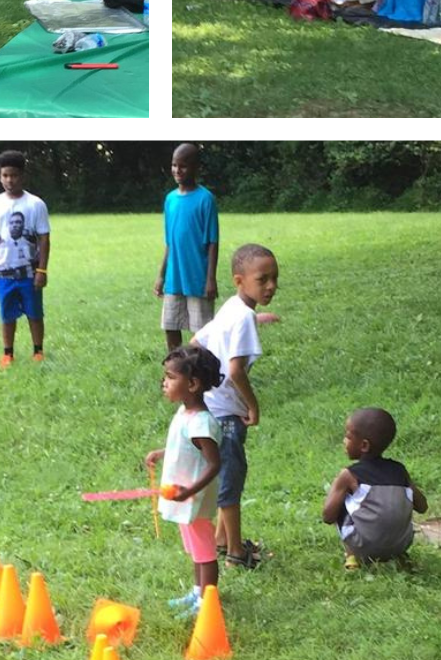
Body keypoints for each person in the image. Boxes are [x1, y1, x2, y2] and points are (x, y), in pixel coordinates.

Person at [190, 243, 280, 570]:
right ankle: (236, 555)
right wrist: (253, 405)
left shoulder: (233, 308)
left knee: (227, 476)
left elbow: (196, 342)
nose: (271, 285)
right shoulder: (242, 318)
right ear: (239, 280)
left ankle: (220, 541)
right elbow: (236, 370)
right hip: (229, 413)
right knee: (231, 484)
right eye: (263, 279)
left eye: (274, 278)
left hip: (212, 407)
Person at [144, 345, 223, 620]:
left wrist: (189, 491)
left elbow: (215, 464)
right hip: (183, 497)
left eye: (170, 377)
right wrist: (161, 452)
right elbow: (186, 448)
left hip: (193, 499)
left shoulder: (202, 422)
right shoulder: (185, 413)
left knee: (205, 552)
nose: (163, 383)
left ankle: (207, 601)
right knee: (195, 549)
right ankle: (197, 591)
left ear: (192, 384)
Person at [321, 407, 427, 568]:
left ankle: (352, 557)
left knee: (342, 502)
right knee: (401, 498)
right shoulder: (400, 471)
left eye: (348, 437)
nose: (344, 441)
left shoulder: (349, 475)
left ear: (364, 446)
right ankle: (397, 556)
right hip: (401, 544)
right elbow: (422, 506)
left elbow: (328, 516)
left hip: (364, 546)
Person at [0, 150, 50, 368]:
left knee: (34, 312)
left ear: (23, 176)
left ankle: (38, 350)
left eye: (14, 175)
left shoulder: (35, 204)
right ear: (0, 176)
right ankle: (8, 353)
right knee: (7, 314)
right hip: (4, 272)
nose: (10, 180)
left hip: (30, 272)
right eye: (5, 176)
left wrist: (42, 270)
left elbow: (44, 238)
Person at [155, 143, 220, 351]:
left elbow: (212, 242)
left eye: (183, 166)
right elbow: (170, 242)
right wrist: (161, 275)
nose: (177, 170)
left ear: (196, 168)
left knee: (202, 332)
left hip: (197, 277)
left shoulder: (205, 199)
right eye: (174, 165)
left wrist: (210, 279)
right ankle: (176, 370)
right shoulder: (170, 199)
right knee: (171, 325)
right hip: (175, 278)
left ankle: (201, 373)